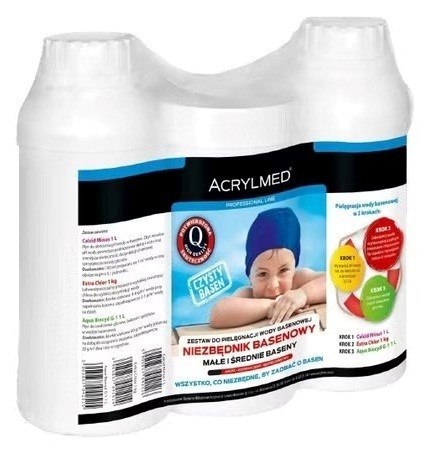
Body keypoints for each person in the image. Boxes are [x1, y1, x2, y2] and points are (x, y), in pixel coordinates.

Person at [210, 207, 326, 328]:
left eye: (283, 270)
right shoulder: (247, 295)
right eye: (262, 274)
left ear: (294, 268)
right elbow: (217, 314)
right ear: (250, 277)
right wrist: (270, 306)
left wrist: (303, 294)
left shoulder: (299, 280)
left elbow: (333, 281)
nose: (273, 285)